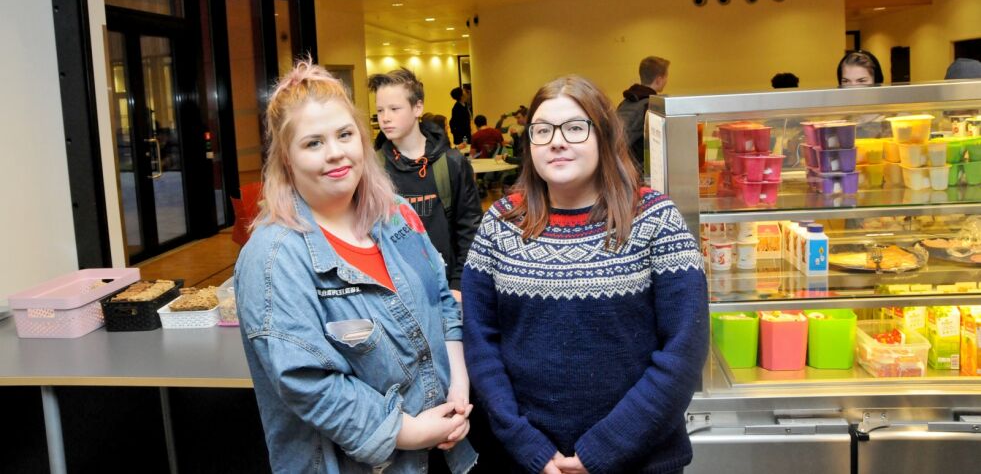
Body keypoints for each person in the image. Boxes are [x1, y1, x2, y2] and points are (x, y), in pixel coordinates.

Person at [234, 60, 477, 474]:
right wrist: (408, 432)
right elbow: (307, 382)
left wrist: (457, 388)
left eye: (345, 135)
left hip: (445, 450)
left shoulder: (396, 216)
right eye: (312, 143)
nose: (335, 153)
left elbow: (441, 300)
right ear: (287, 159)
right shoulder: (273, 256)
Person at [463, 75, 708, 474]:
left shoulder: (654, 220)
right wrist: (526, 444)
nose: (556, 141)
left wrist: (604, 449)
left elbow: (684, 352)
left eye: (575, 128)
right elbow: (480, 345)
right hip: (525, 460)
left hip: (640, 459)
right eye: (542, 131)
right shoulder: (500, 224)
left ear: (604, 136)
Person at [369, 69, 482, 298]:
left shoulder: (451, 163)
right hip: (394, 291)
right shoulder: (374, 168)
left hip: (447, 288)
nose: (385, 118)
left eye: (394, 109)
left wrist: (459, 284)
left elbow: (470, 228)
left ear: (417, 107)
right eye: (380, 110)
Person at [617, 55, 670, 169]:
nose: (667, 80)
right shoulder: (652, 105)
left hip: (623, 166)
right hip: (641, 171)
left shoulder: (626, 101)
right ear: (659, 80)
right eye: (666, 77)